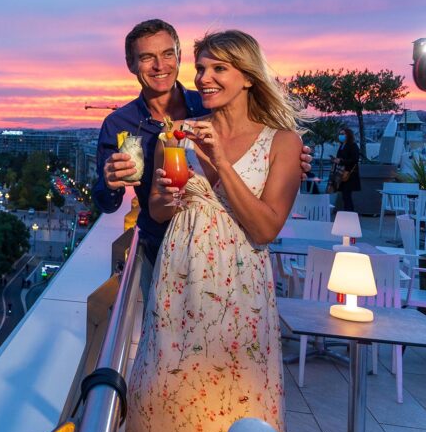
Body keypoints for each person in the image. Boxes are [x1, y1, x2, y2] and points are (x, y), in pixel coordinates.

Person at [124, 30, 305, 432]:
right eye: (201, 68)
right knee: (162, 404)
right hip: (177, 289)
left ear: (247, 77)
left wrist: (221, 161)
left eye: (219, 68)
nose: (204, 78)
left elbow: (264, 229)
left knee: (236, 411)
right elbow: (156, 210)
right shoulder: (176, 135)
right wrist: (164, 199)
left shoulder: (283, 143)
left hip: (241, 297)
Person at [93, 19, 311, 268]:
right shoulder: (118, 123)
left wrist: (293, 161)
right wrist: (110, 183)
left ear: (179, 56)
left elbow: (261, 143)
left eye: (167, 54)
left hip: (235, 258)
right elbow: (106, 203)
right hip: (159, 253)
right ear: (131, 64)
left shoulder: (211, 99)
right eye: (146, 57)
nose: (159, 65)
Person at [333, 127, 361, 211]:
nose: (341, 136)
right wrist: (336, 160)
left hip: (349, 174)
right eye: (340, 134)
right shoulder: (342, 146)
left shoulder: (353, 145)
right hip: (342, 173)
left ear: (348, 135)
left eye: (343, 134)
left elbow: (354, 159)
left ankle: (349, 213)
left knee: (347, 194)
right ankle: (348, 213)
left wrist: (341, 161)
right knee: (344, 195)